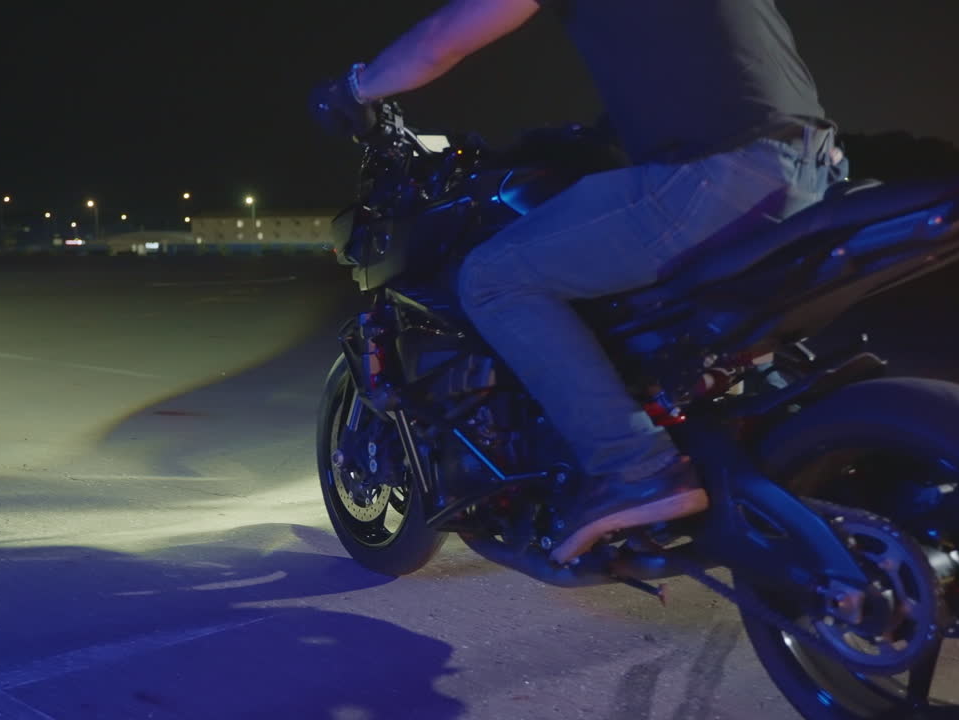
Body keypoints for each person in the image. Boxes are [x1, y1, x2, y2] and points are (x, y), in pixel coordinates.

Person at [311, 0, 844, 564]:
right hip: (815, 167)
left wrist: (356, 90)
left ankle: (635, 468)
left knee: (493, 278)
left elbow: (440, 38)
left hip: (720, 175)